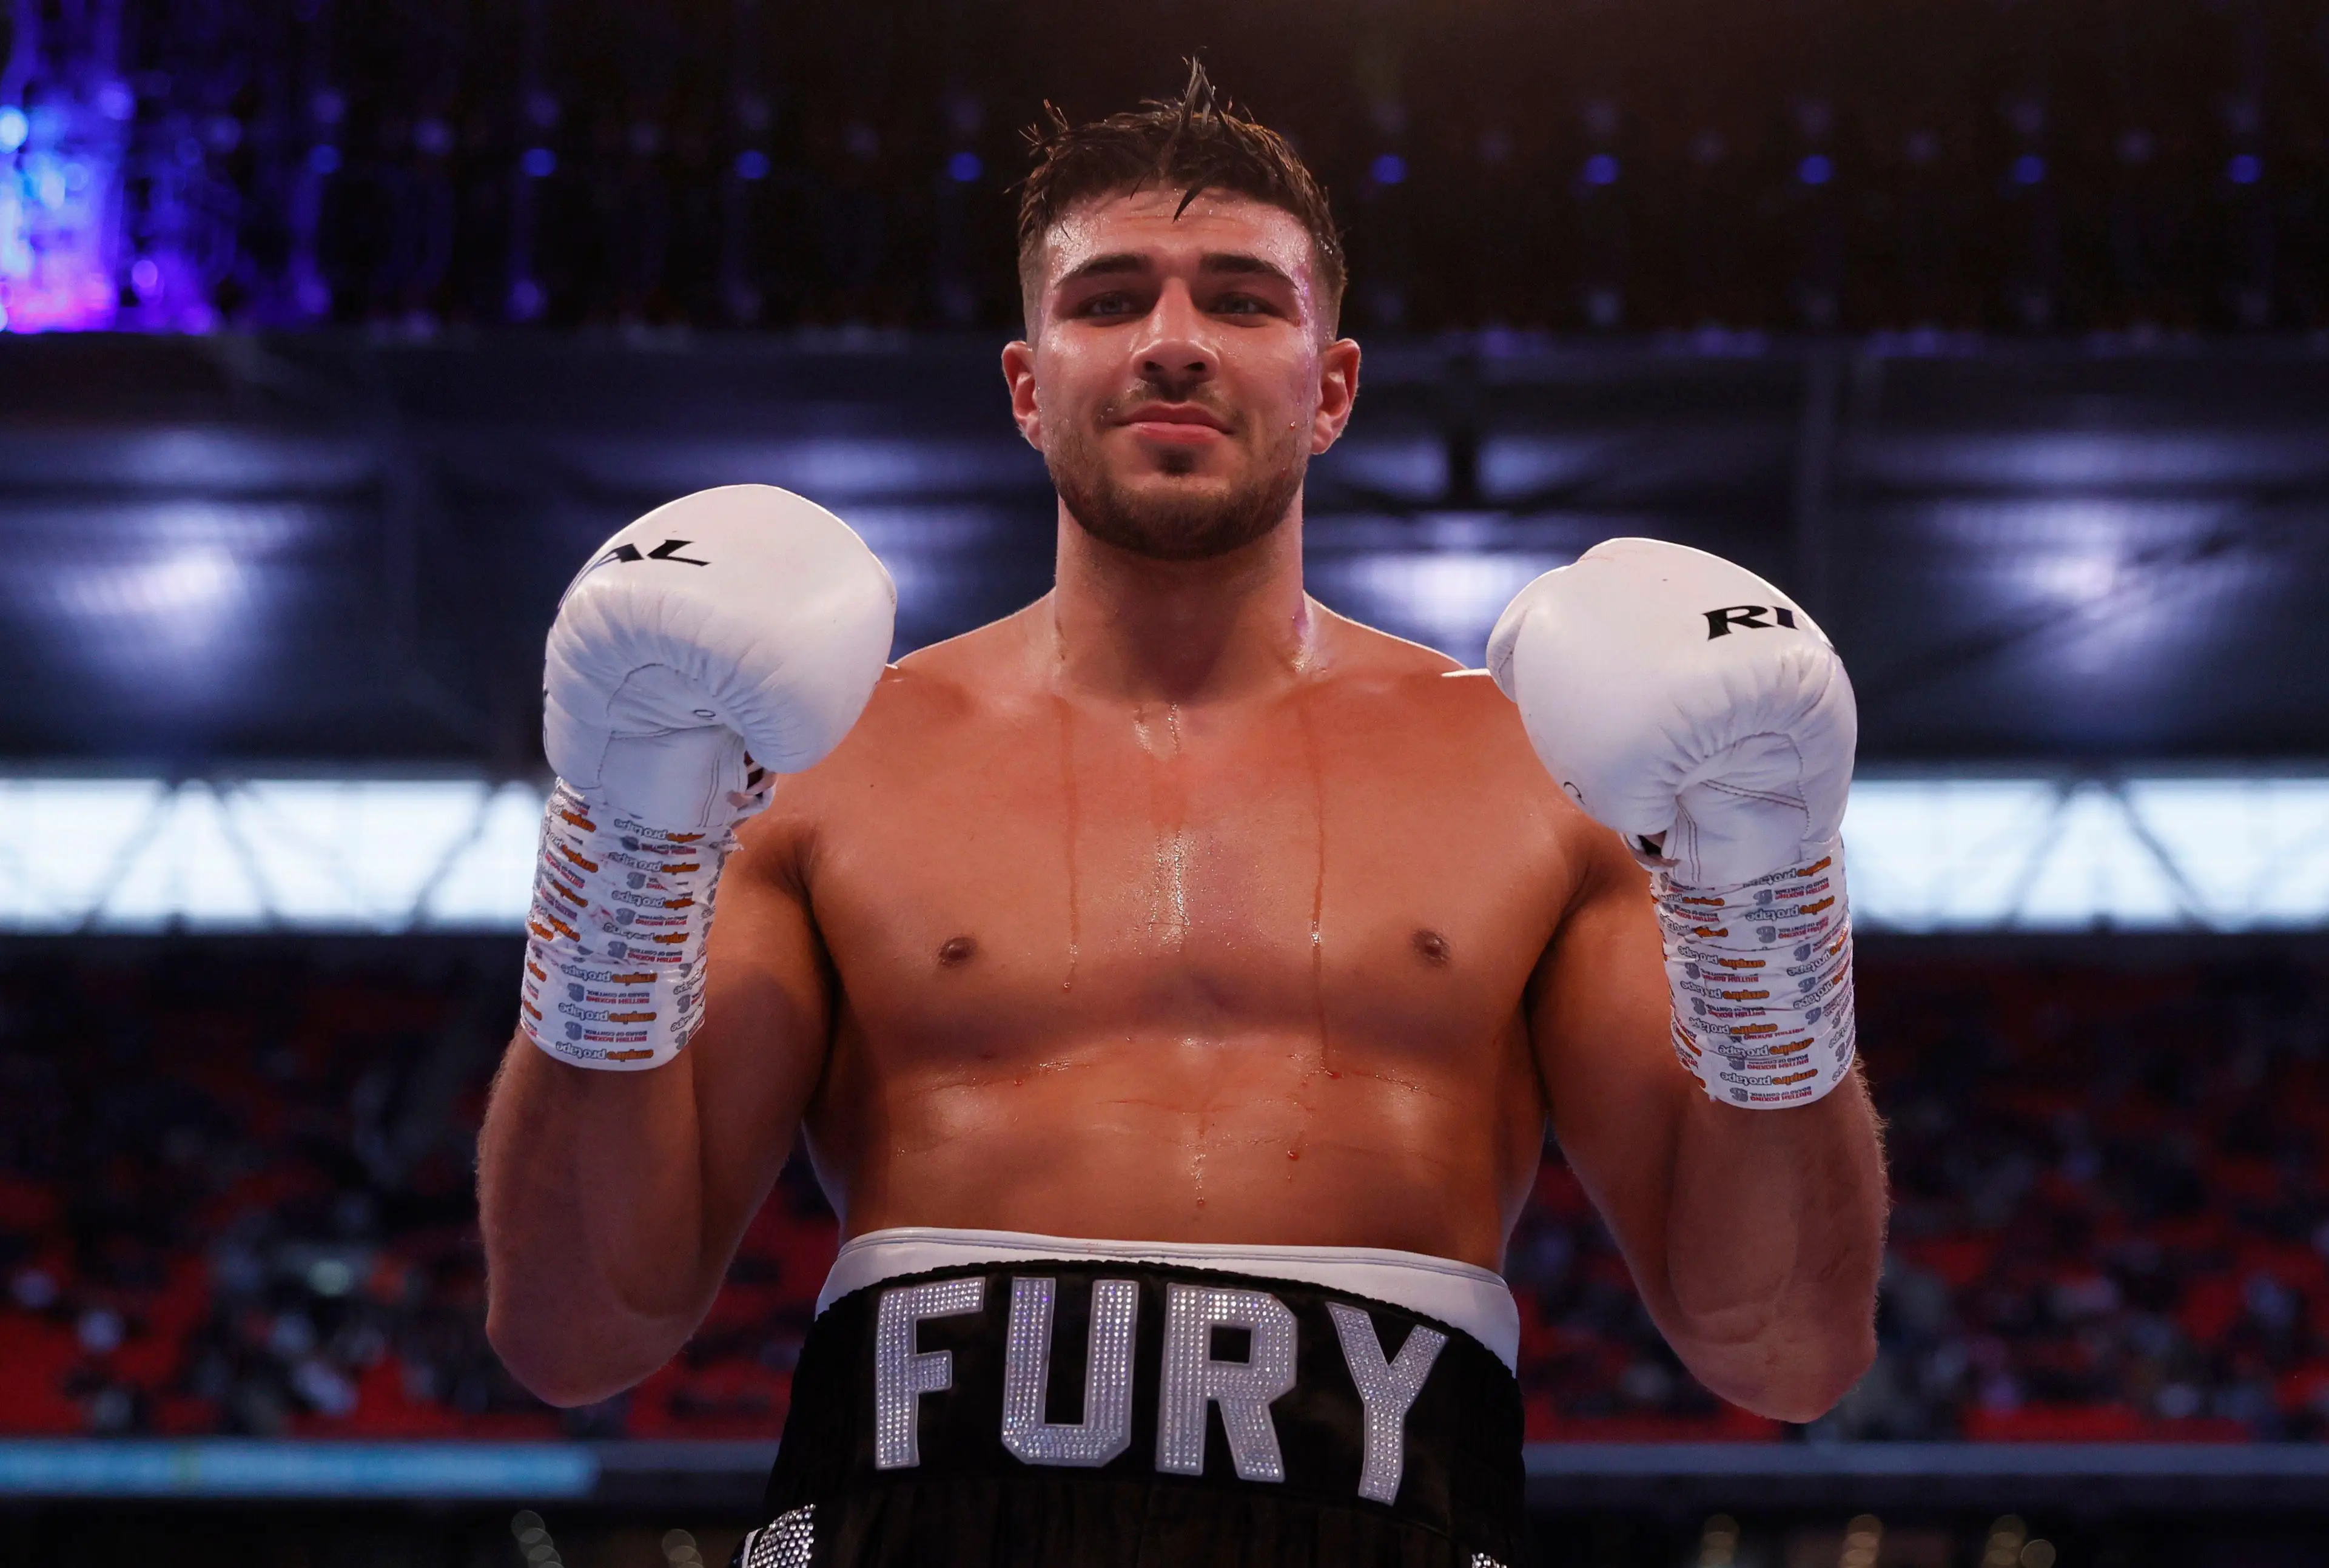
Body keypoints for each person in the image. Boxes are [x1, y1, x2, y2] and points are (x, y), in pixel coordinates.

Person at [478, 65, 1887, 1568]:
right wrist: (622, 849)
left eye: (1239, 298)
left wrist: (1767, 893)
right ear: (1028, 385)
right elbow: (577, 1329)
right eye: (1106, 300)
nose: (1170, 344)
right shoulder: (826, 763)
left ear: (1331, 385)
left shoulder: (1532, 771)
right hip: (910, 1516)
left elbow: (1784, 1344)